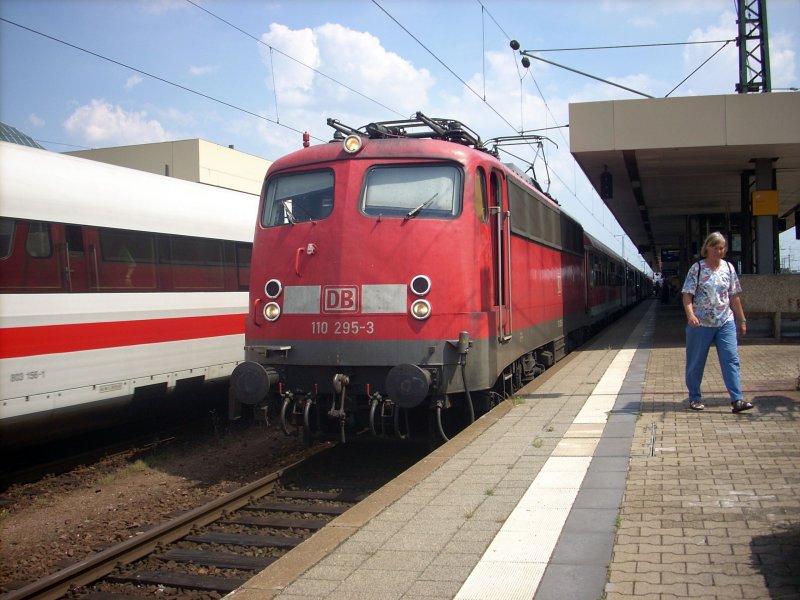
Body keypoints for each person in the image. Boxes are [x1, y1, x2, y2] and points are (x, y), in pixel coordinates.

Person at [681, 231, 752, 413]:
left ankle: (737, 400)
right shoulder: (697, 269)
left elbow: (734, 296)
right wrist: (690, 315)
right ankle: (695, 398)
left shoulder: (728, 268)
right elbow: (687, 295)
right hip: (700, 323)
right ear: (707, 248)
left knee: (731, 359)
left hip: (725, 321)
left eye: (721, 248)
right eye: (715, 248)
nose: (718, 251)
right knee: (696, 361)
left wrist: (741, 320)